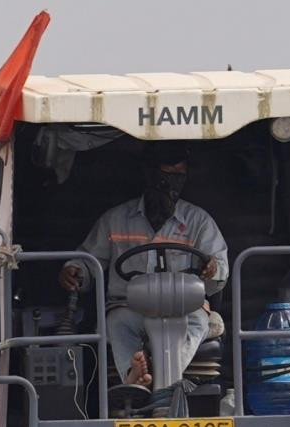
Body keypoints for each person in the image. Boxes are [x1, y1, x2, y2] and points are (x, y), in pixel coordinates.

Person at [97, 167, 231, 410]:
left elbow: (220, 267)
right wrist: (76, 270)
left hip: (185, 309)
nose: (168, 185)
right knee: (116, 322)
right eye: (162, 176)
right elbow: (88, 260)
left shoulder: (199, 221)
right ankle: (135, 375)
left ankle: (157, 381)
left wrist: (212, 268)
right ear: (147, 178)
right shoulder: (116, 219)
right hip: (131, 308)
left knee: (199, 322)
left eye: (176, 177)